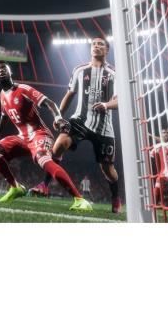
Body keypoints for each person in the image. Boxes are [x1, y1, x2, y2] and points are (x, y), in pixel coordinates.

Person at [32, 37, 121, 213]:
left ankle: (116, 197)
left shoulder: (114, 73)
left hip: (104, 127)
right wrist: (58, 116)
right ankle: (45, 185)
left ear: (107, 50)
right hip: (79, 120)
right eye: (94, 44)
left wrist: (106, 105)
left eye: (100, 44)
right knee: (58, 146)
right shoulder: (79, 70)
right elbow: (69, 94)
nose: (96, 46)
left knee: (108, 169)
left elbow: (119, 100)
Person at [0, 62, 91, 210]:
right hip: (22, 137)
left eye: (4, 68)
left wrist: (58, 118)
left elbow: (50, 103)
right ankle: (15, 187)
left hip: (39, 134)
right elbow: (4, 117)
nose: (1, 70)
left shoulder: (23, 89)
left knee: (43, 159)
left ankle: (80, 199)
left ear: (10, 72)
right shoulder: (2, 95)